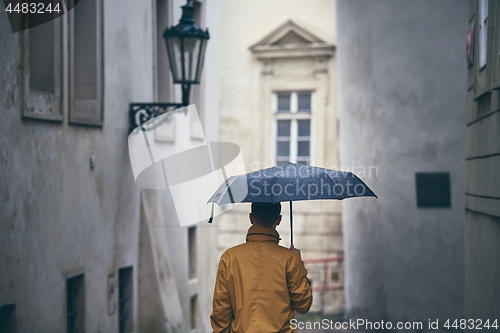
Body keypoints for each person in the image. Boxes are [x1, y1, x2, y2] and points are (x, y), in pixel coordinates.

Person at [210, 202, 313, 333]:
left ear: (251, 218)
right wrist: (298, 262)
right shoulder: (289, 259)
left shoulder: (229, 257)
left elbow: (221, 311)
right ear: (279, 220)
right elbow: (303, 304)